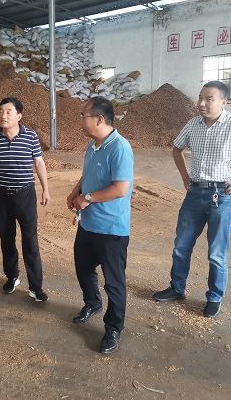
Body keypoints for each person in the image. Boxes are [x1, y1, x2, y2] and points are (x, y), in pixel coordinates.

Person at [153, 80, 231, 318]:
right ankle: (177, 288)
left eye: (209, 99)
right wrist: (185, 176)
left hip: (223, 196)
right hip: (195, 193)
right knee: (181, 246)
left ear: (223, 102)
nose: (202, 103)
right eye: (200, 98)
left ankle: (214, 297)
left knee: (217, 252)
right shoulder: (193, 124)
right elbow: (176, 149)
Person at [67, 96, 134, 355]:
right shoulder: (93, 145)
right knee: (83, 268)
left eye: (83, 115)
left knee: (114, 283)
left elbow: (120, 189)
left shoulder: (120, 148)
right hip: (88, 224)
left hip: (111, 229)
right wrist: (75, 192)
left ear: (99, 119)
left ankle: (113, 327)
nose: (80, 120)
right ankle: (92, 303)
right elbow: (88, 174)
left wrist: (87, 198)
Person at [0, 97, 50, 302]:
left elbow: (39, 163)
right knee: (7, 239)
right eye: (1, 111)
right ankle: (12, 276)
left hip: (25, 194)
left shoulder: (31, 136)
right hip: (1, 195)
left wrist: (45, 189)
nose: (3, 115)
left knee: (30, 240)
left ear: (19, 116)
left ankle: (36, 286)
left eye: (8, 112)